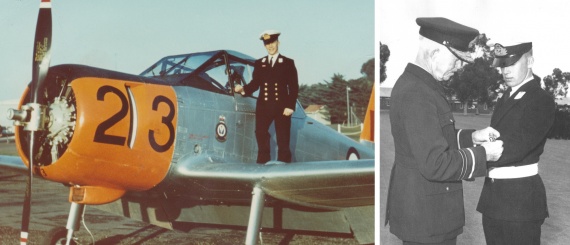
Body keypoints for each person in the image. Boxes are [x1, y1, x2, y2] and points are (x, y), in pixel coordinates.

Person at [384, 17, 504, 245]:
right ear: (435, 52)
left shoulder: (422, 86)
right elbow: (434, 162)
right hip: (427, 219)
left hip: (427, 213)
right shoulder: (417, 93)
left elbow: (437, 138)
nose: (459, 68)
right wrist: (483, 155)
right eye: (457, 60)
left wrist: (473, 137)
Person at [476, 41, 555, 245]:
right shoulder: (506, 97)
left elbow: (517, 146)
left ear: (530, 61)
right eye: (502, 66)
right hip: (494, 199)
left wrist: (474, 156)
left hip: (520, 201)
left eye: (511, 64)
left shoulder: (540, 99)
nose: (505, 71)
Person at [235, 30, 299, 163]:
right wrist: (243, 89)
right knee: (260, 134)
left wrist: (290, 106)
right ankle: (263, 163)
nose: (270, 46)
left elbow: (293, 87)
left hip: (282, 107)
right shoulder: (260, 63)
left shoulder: (288, 62)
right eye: (267, 44)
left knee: (283, 139)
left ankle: (284, 168)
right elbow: (255, 83)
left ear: (278, 42)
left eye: (272, 42)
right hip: (264, 106)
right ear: (264, 45)